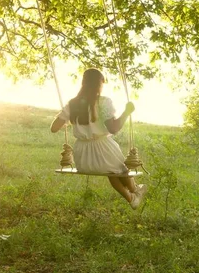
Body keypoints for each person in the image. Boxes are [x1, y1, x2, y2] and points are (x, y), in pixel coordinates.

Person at [50, 68, 147, 209]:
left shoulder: (73, 104)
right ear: (98, 84)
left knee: (110, 170)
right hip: (104, 149)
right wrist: (126, 112)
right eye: (102, 83)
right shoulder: (104, 102)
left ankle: (132, 196)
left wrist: (66, 116)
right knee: (119, 170)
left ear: (83, 83)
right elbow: (113, 128)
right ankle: (134, 191)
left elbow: (54, 128)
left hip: (83, 158)